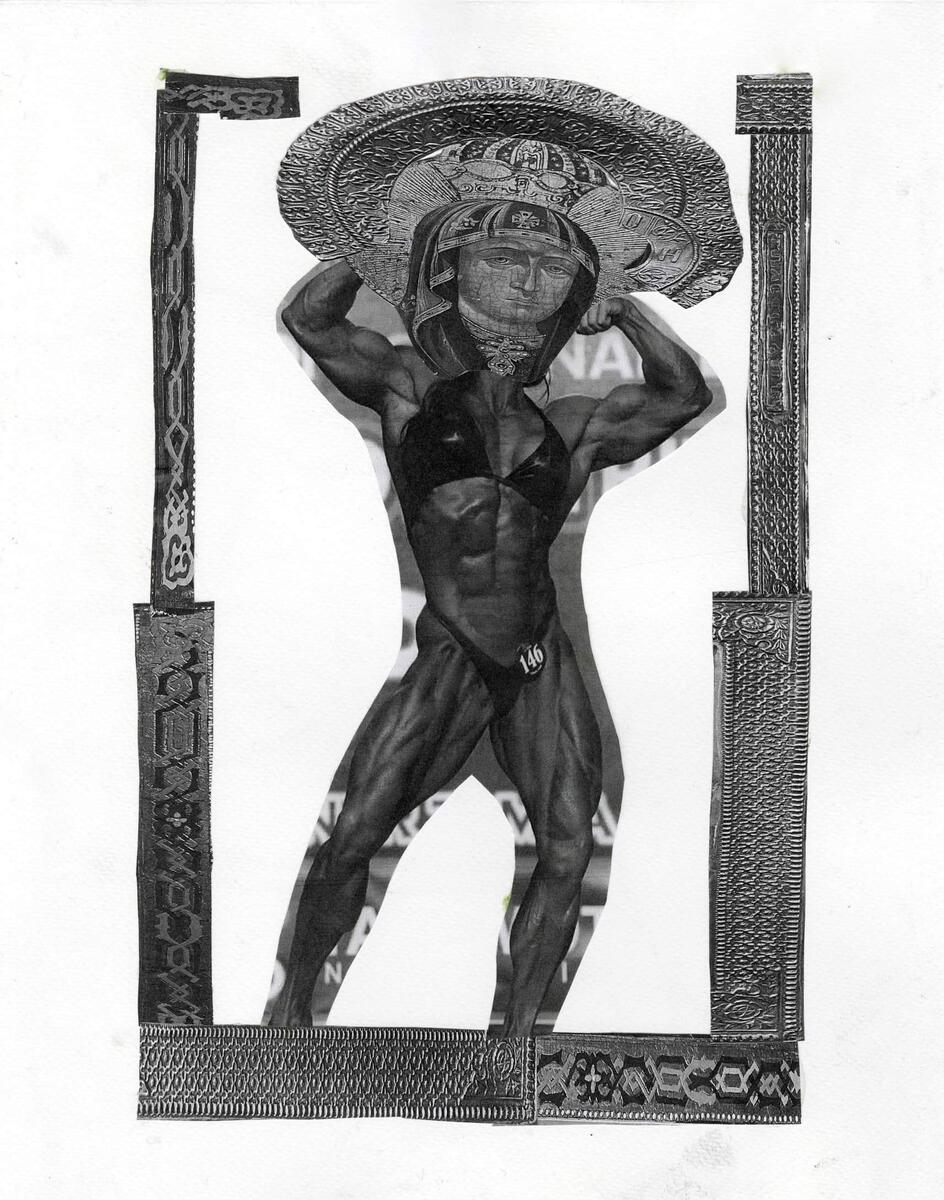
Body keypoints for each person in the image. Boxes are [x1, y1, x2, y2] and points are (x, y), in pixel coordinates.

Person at [267, 198, 711, 1036]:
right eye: (507, 262)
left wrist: (624, 307)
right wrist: (377, 243)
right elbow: (309, 320)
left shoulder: (573, 425)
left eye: (552, 272)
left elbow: (683, 393)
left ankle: (516, 1043)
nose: (529, 285)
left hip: (540, 655)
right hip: (451, 651)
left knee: (569, 849)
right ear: (454, 278)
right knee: (354, 833)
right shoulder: (408, 388)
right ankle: (291, 1014)